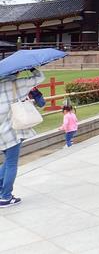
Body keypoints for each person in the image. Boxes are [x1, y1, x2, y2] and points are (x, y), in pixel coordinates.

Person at [0, 68, 45, 207]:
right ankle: (6, 197)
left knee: (8, 161)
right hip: (12, 130)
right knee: (12, 163)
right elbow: (40, 77)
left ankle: (2, 191)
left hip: (1, 132)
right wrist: (31, 68)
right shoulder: (19, 84)